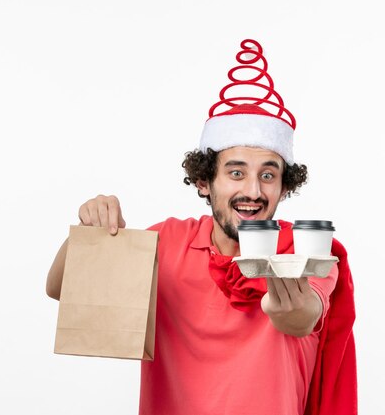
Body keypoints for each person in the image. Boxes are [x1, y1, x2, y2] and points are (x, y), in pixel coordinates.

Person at [46, 39, 357, 415]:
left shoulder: (307, 251)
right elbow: (60, 289)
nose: (253, 191)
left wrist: (285, 302)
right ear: (204, 182)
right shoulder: (166, 242)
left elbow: (303, 316)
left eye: (268, 175)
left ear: (284, 185)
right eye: (236, 172)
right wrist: (89, 234)